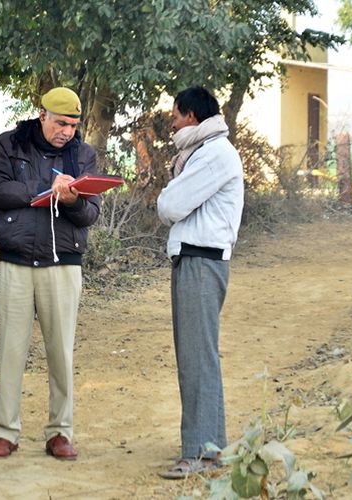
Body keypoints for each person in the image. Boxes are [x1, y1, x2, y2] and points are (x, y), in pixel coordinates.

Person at [0, 87, 100, 460]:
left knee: (61, 352)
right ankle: (6, 432)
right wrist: (44, 189)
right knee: (10, 350)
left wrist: (71, 200)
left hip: (63, 263)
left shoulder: (83, 155)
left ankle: (60, 432)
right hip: (15, 261)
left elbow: (90, 214)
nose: (67, 131)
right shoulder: (10, 144)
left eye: (73, 125)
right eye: (60, 122)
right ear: (42, 115)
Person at [156, 86, 244, 479]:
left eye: (175, 115)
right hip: (195, 259)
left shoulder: (214, 154)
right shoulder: (204, 152)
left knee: (197, 358)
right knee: (197, 356)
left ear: (192, 116)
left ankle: (200, 452)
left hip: (201, 261)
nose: (172, 123)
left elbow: (170, 206)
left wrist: (167, 196)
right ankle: (208, 446)